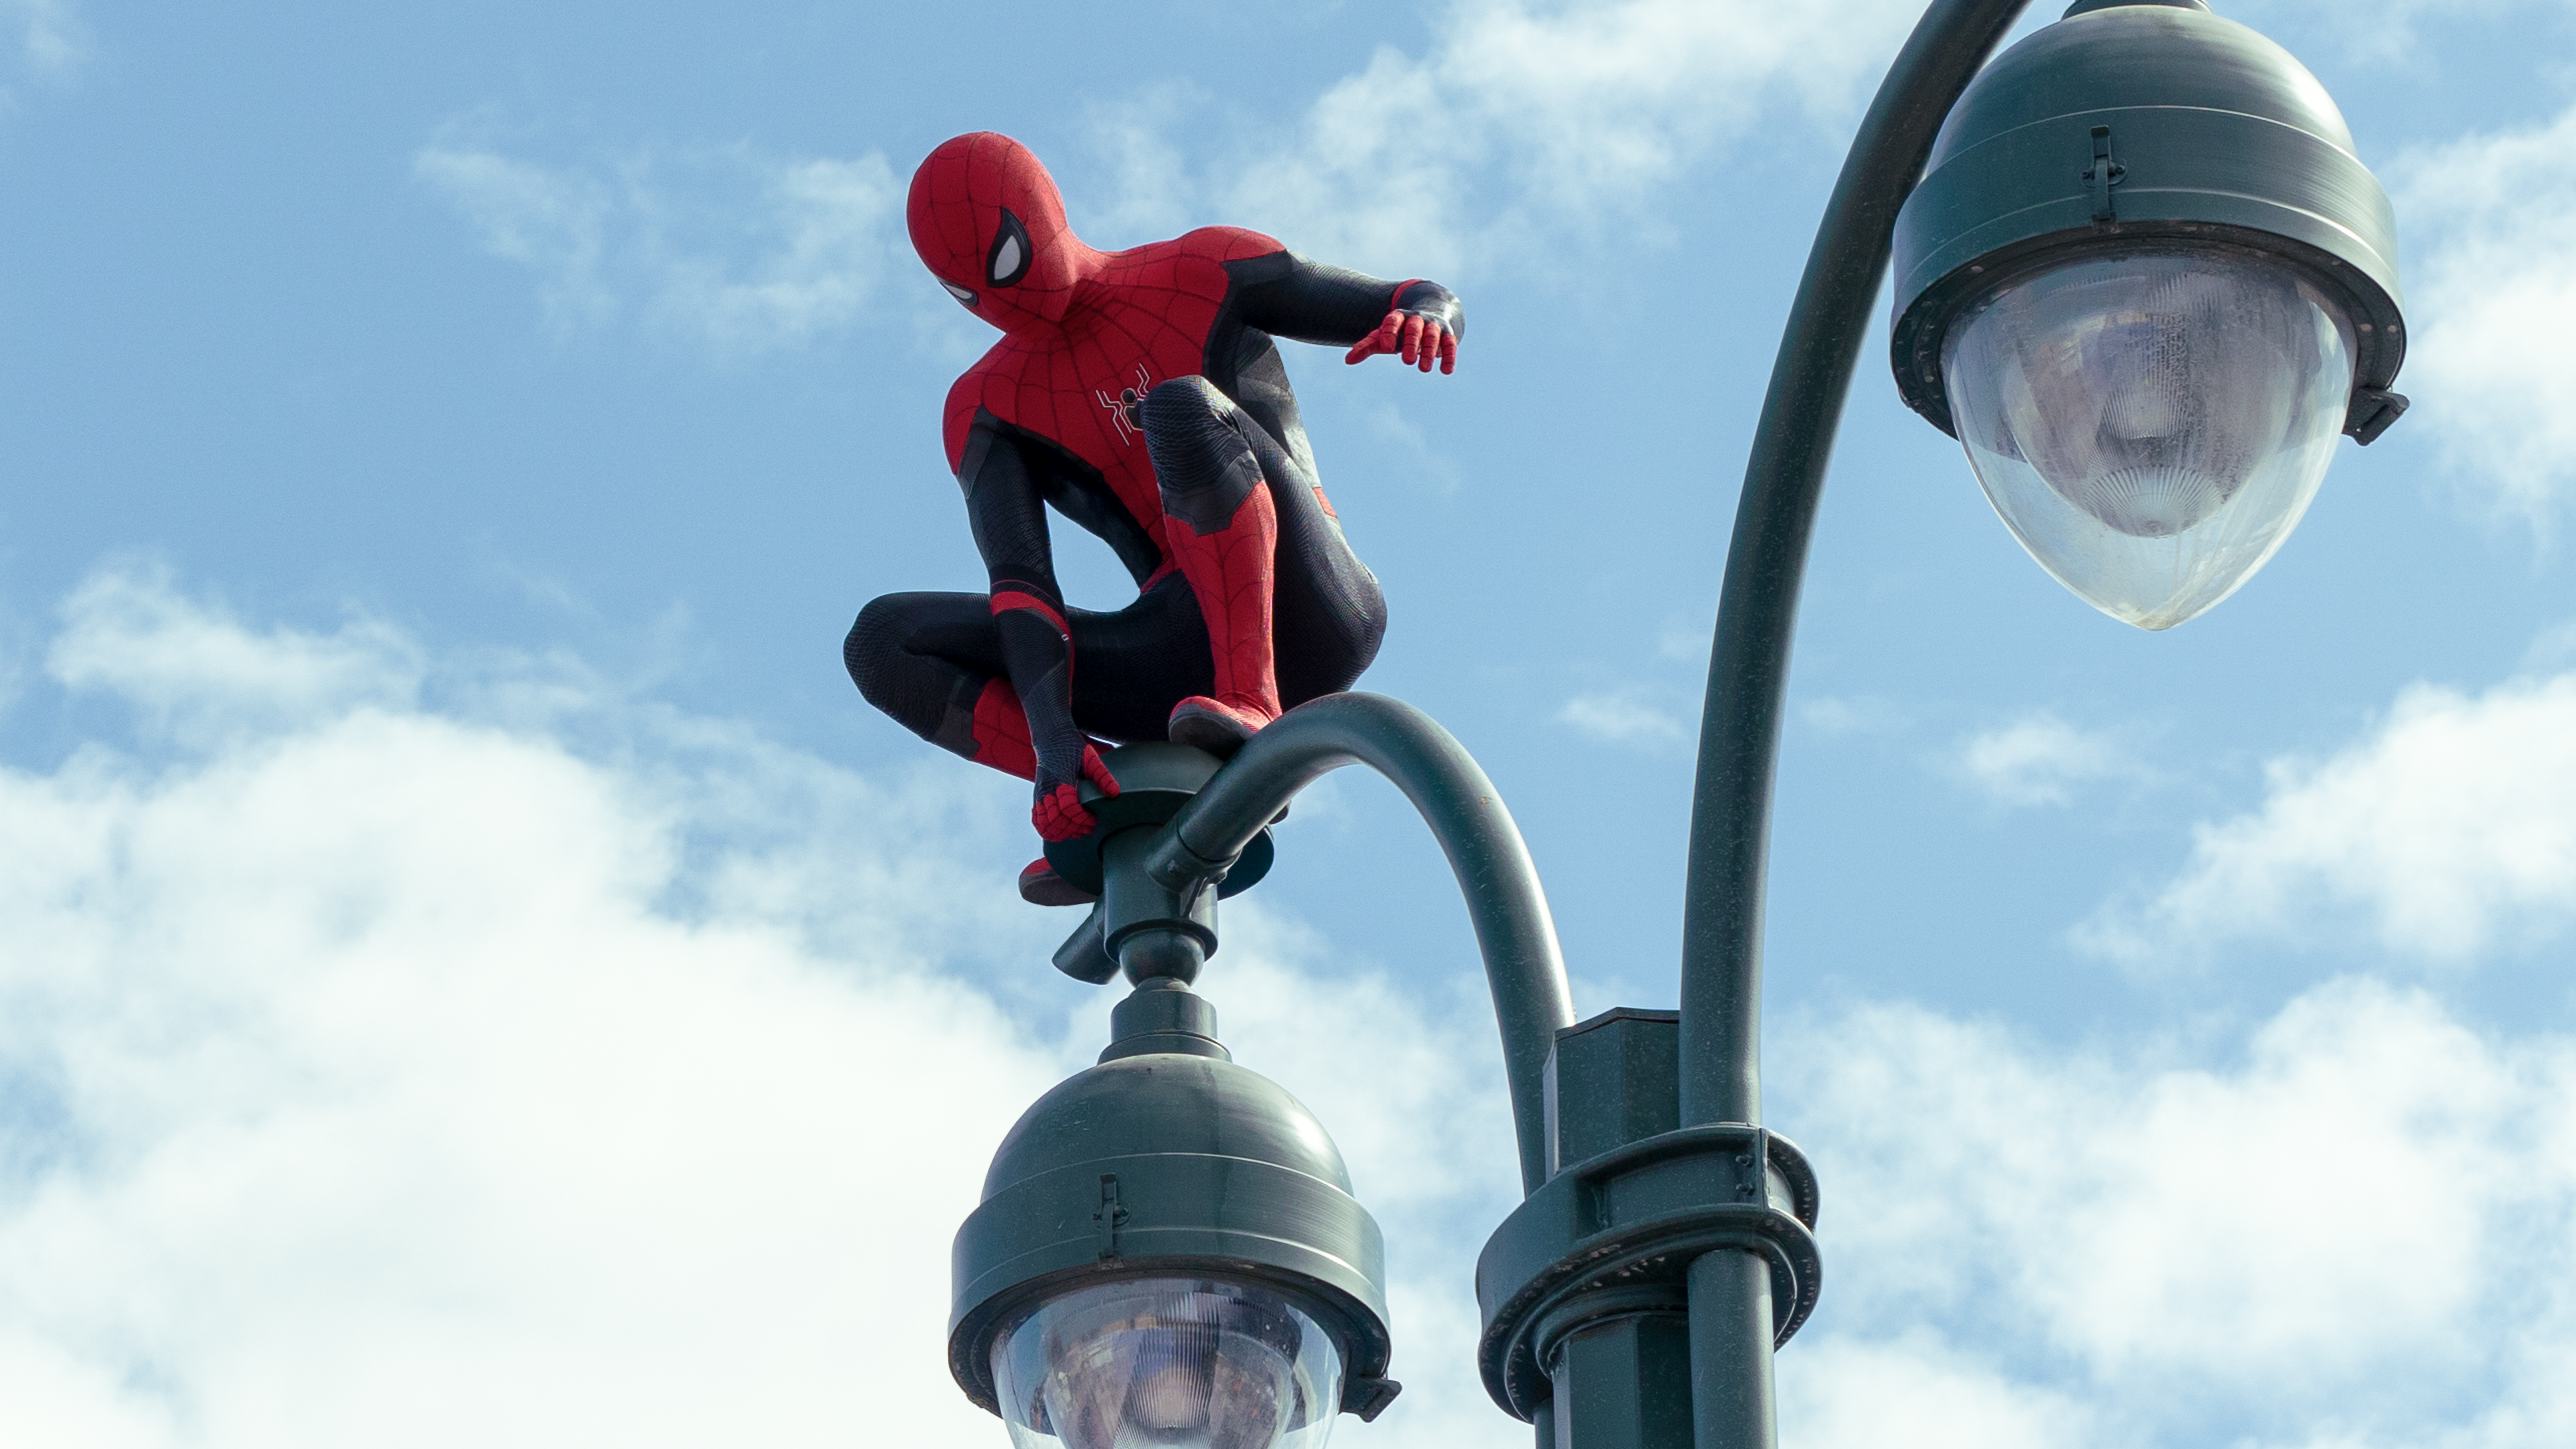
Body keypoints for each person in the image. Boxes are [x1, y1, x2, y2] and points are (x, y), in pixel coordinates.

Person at [846, 131, 1465, 904]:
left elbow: (1405, 293)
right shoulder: (985, 408)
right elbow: (1021, 585)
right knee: (882, 640)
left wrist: (1429, 314)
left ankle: (1255, 701)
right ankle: (1115, 796)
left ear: (1040, 215)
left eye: (1006, 265)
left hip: (1312, 600)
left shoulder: (1200, 268)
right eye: (972, 295)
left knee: (1180, 406)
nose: (1002, 302)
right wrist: (1053, 743)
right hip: (1172, 648)